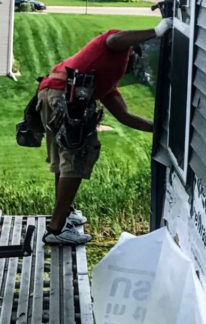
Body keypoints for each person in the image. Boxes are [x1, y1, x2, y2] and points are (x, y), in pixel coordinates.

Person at [37, 17, 172, 245]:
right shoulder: (115, 46)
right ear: (134, 52)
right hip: (63, 98)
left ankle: (64, 216)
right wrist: (157, 31)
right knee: (76, 159)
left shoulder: (107, 81)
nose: (134, 66)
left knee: (64, 159)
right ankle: (57, 230)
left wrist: (160, 129)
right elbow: (115, 38)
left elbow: (125, 117)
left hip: (51, 93)